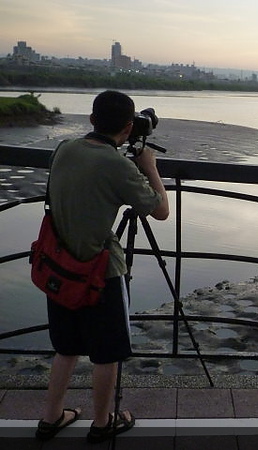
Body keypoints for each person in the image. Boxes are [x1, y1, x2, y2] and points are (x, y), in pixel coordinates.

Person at [35, 90, 169, 443]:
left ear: (92, 120)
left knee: (66, 347)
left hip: (58, 267)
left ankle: (50, 418)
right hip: (99, 271)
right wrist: (150, 167)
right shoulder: (118, 165)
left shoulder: (64, 149)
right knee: (106, 353)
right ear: (129, 127)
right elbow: (159, 210)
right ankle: (102, 422)